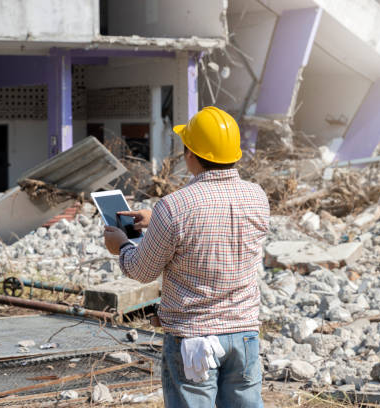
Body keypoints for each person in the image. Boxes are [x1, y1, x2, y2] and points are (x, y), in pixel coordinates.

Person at [103, 106, 270, 407]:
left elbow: (141, 270)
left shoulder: (175, 207)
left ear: (190, 154)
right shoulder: (257, 196)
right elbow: (218, 227)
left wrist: (122, 246)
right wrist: (158, 221)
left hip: (193, 340)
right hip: (244, 335)